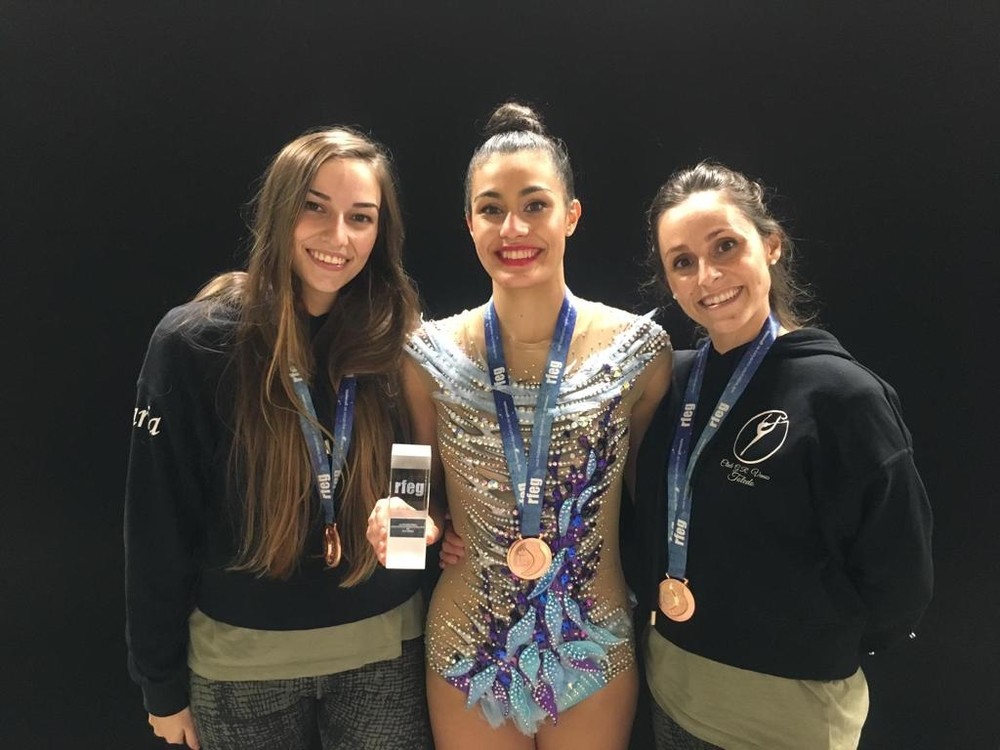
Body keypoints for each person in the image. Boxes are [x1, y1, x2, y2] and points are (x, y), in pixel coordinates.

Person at [367, 101, 671, 749]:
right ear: (468, 222)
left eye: (534, 204)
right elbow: (410, 509)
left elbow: (655, 503)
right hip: (467, 644)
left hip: (593, 640)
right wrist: (415, 526)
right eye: (491, 208)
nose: (514, 227)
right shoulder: (425, 355)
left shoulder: (641, 352)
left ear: (571, 214)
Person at [124, 127, 436, 750]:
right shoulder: (194, 343)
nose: (338, 237)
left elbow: (416, 477)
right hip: (242, 669)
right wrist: (160, 684)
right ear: (278, 209)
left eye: (361, 217)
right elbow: (156, 525)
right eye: (314, 207)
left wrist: (416, 525)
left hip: (383, 655)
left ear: (382, 234)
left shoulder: (397, 339)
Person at [634, 162, 934, 749]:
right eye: (683, 262)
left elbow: (900, 586)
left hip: (784, 717)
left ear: (771, 246)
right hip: (672, 688)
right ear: (670, 282)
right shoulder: (671, 384)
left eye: (726, 246)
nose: (708, 275)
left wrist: (807, 640)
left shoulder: (843, 398)